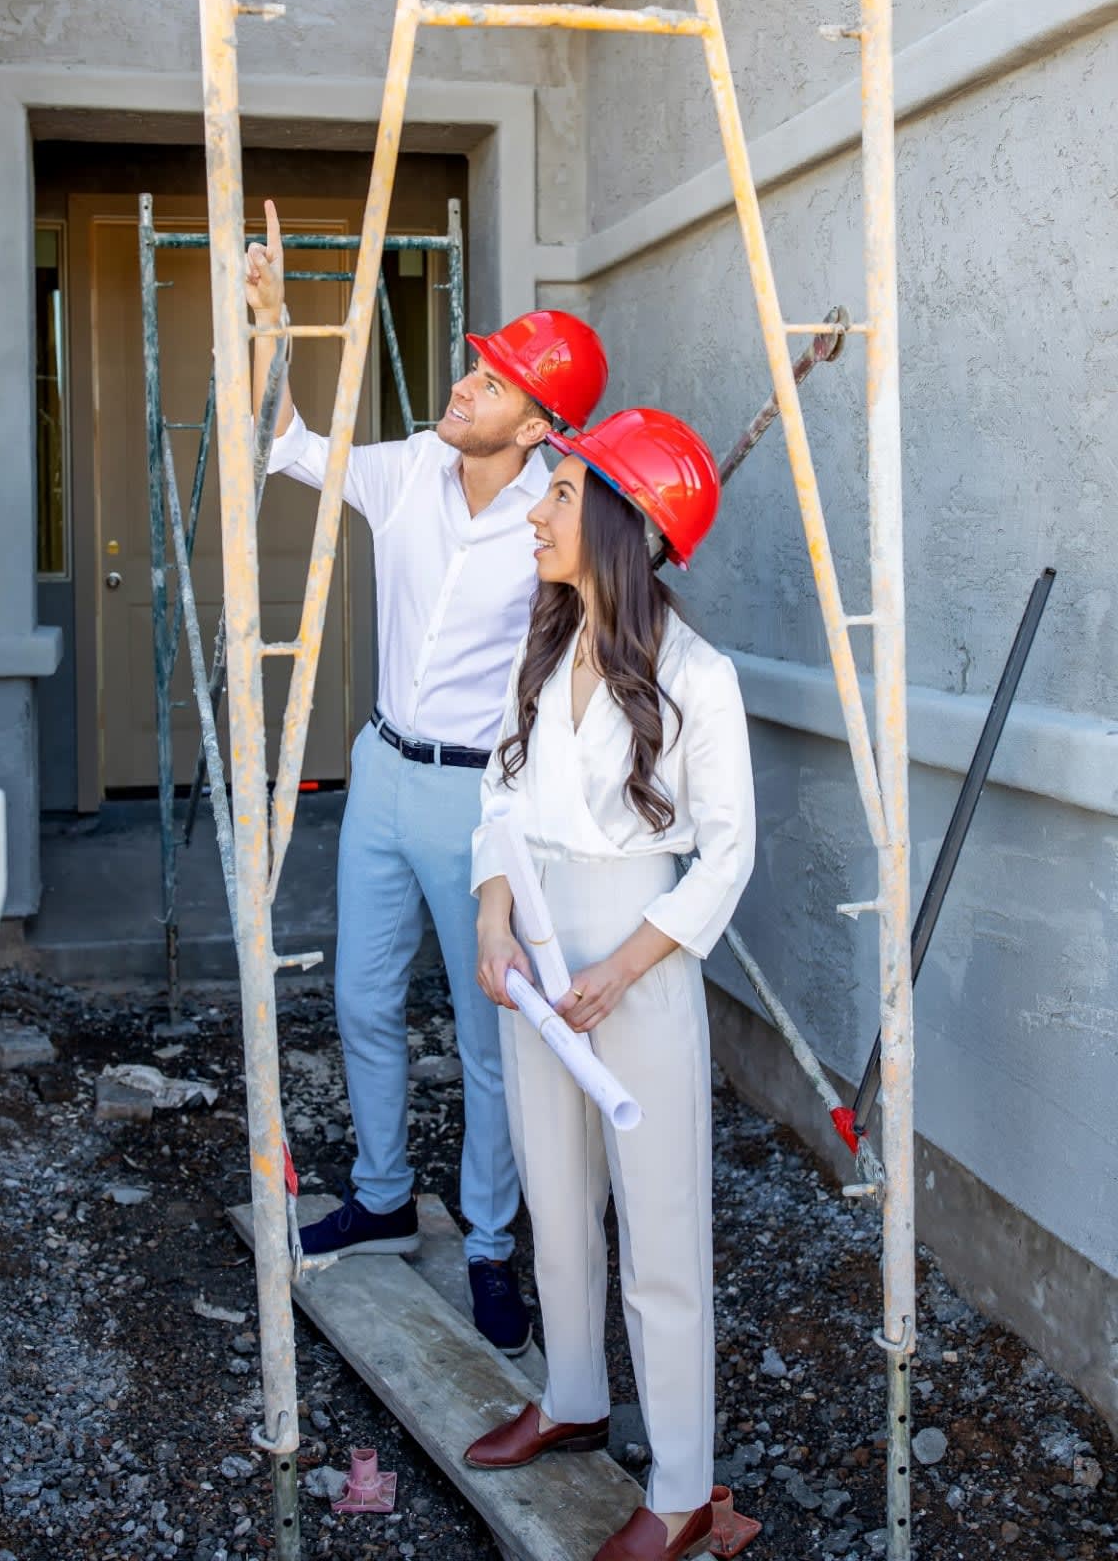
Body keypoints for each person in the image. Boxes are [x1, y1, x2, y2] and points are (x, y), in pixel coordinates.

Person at [243, 200, 609, 1355]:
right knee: (360, 996)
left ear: (540, 423)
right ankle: (387, 1191)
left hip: (481, 799)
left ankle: (493, 1248)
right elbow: (285, 445)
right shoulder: (405, 469)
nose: (465, 383)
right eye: (474, 365)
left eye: (494, 381)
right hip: (381, 772)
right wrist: (272, 331)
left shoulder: (562, 514)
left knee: (487, 1031)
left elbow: (603, 637)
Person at [463, 406, 756, 1561]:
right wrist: (494, 920)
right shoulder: (537, 645)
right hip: (535, 951)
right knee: (554, 1188)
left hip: (635, 958)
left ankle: (681, 1488)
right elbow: (496, 794)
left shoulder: (699, 676)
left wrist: (622, 967)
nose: (533, 511)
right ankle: (574, 1393)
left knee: (661, 1225)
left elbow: (726, 853)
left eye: (557, 497)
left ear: (621, 527)